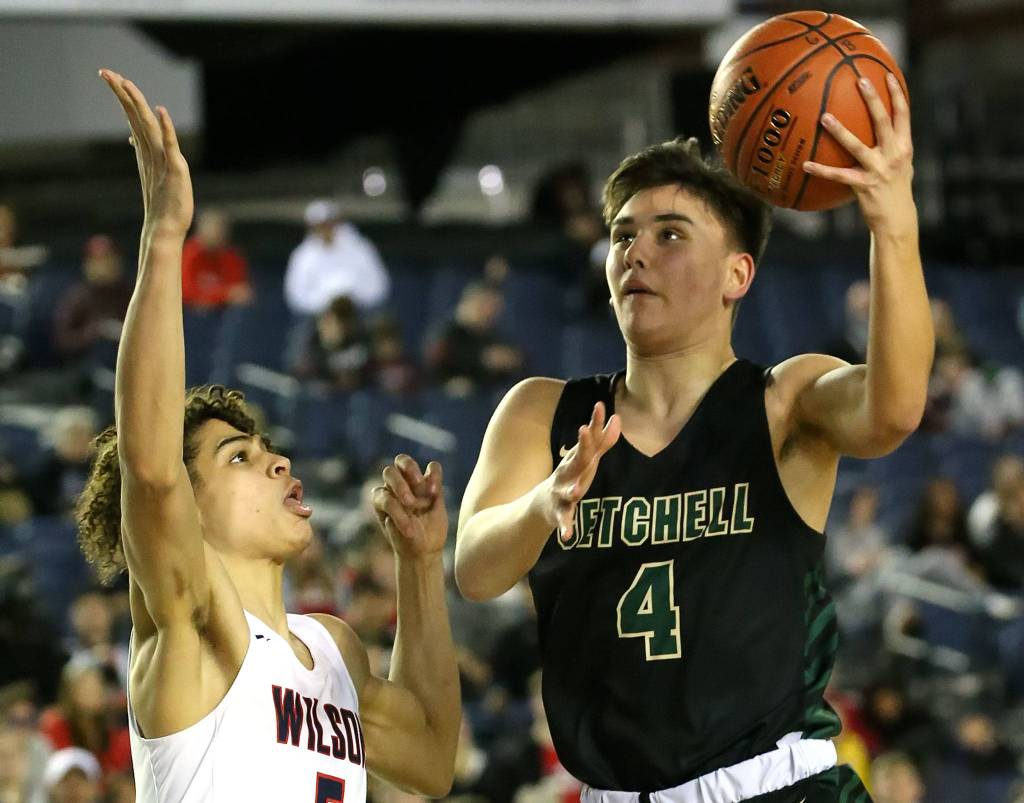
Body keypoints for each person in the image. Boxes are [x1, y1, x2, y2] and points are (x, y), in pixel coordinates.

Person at [455, 74, 931, 800]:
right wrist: (542, 505)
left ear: (737, 273)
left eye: (669, 234)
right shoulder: (540, 412)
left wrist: (892, 223)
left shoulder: (784, 400)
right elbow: (475, 570)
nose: (634, 253)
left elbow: (894, 409)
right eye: (623, 236)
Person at [83, 69, 460, 801]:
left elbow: (432, 759)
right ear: (189, 505)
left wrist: (420, 565)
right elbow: (151, 466)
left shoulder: (333, 649)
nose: (277, 459)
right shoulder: (195, 624)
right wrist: (164, 239)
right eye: (240, 456)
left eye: (265, 449)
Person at [284, 199, 390, 315]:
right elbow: (296, 296)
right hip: (318, 317)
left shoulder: (360, 248)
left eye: (329, 224)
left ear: (338, 222)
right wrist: (326, 303)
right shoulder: (303, 256)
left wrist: (352, 299)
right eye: (320, 226)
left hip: (360, 313)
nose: (325, 229)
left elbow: (378, 286)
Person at [180, 208, 253, 310]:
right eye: (214, 228)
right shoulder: (187, 254)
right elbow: (185, 292)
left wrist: (213, 297)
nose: (218, 233)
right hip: (190, 314)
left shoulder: (231, 257)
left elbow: (240, 291)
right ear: (201, 230)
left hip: (223, 314)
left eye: (222, 229)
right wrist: (224, 294)